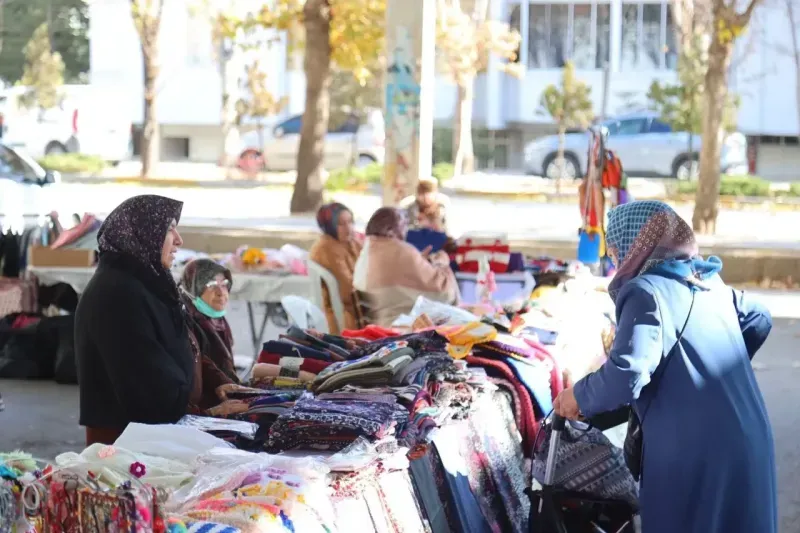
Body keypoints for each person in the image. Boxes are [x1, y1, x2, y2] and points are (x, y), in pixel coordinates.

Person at [553, 200, 777, 533]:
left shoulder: (645, 291)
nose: (614, 259)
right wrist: (713, 368)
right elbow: (759, 317)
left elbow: (626, 374)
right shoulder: (707, 280)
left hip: (695, 451)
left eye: (615, 250)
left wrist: (577, 396)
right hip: (748, 435)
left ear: (635, 246)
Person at [74, 195, 240, 446]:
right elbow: (149, 389)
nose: (179, 240)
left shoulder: (147, 283)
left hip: (158, 433)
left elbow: (184, 345)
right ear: (142, 234)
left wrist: (217, 383)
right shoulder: (118, 295)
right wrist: (208, 413)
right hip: (126, 448)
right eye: (168, 229)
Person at [353, 207, 458, 326]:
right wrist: (441, 263)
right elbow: (445, 294)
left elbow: (399, 271)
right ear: (392, 228)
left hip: (378, 322)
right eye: (404, 224)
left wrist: (420, 261)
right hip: (397, 327)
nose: (405, 231)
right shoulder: (401, 251)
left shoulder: (368, 249)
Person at [180, 258, 240, 384]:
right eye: (212, 285)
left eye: (224, 284)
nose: (221, 293)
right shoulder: (185, 325)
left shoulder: (218, 320)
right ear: (194, 288)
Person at [308, 203, 363, 333]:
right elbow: (347, 290)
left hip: (352, 307)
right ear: (329, 226)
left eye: (350, 222)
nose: (348, 228)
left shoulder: (351, 242)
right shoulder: (326, 248)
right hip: (343, 315)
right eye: (341, 224)